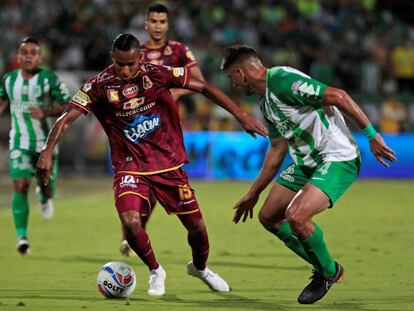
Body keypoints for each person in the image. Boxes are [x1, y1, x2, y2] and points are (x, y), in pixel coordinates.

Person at [36, 34, 267, 296]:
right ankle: (156, 271)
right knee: (131, 220)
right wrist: (47, 149)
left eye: (130, 64)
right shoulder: (97, 85)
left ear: (140, 58)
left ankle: (200, 269)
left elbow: (203, 87)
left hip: (168, 165)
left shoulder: (158, 74)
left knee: (197, 227)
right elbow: (67, 118)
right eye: (120, 64)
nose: (125, 70)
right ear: (113, 58)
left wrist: (242, 115)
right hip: (130, 166)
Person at [221, 45, 396, 304]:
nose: (232, 84)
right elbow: (278, 148)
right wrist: (253, 193)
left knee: (297, 215)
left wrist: (372, 135)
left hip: (337, 156)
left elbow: (338, 95)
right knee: (269, 217)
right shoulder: (266, 102)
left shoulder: (282, 81)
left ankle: (326, 272)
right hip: (307, 161)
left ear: (241, 72)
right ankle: (328, 267)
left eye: (231, 77)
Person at [118, 2, 206, 257]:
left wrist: (171, 94)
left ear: (167, 24)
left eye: (162, 22)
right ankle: (133, 234)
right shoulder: (135, 52)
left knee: (159, 185)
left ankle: (135, 233)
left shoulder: (178, 49)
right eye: (153, 21)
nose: (157, 26)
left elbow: (199, 80)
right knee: (142, 184)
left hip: (166, 129)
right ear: (146, 24)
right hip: (137, 128)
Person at [0, 37, 70, 255]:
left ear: (40, 58)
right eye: (24, 52)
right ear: (18, 57)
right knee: (20, 185)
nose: (28, 55)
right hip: (19, 143)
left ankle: (45, 197)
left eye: (33, 52)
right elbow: (2, 101)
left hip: (46, 146)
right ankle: (22, 237)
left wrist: (47, 112)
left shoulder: (49, 80)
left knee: (47, 188)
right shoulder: (9, 80)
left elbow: (68, 105)